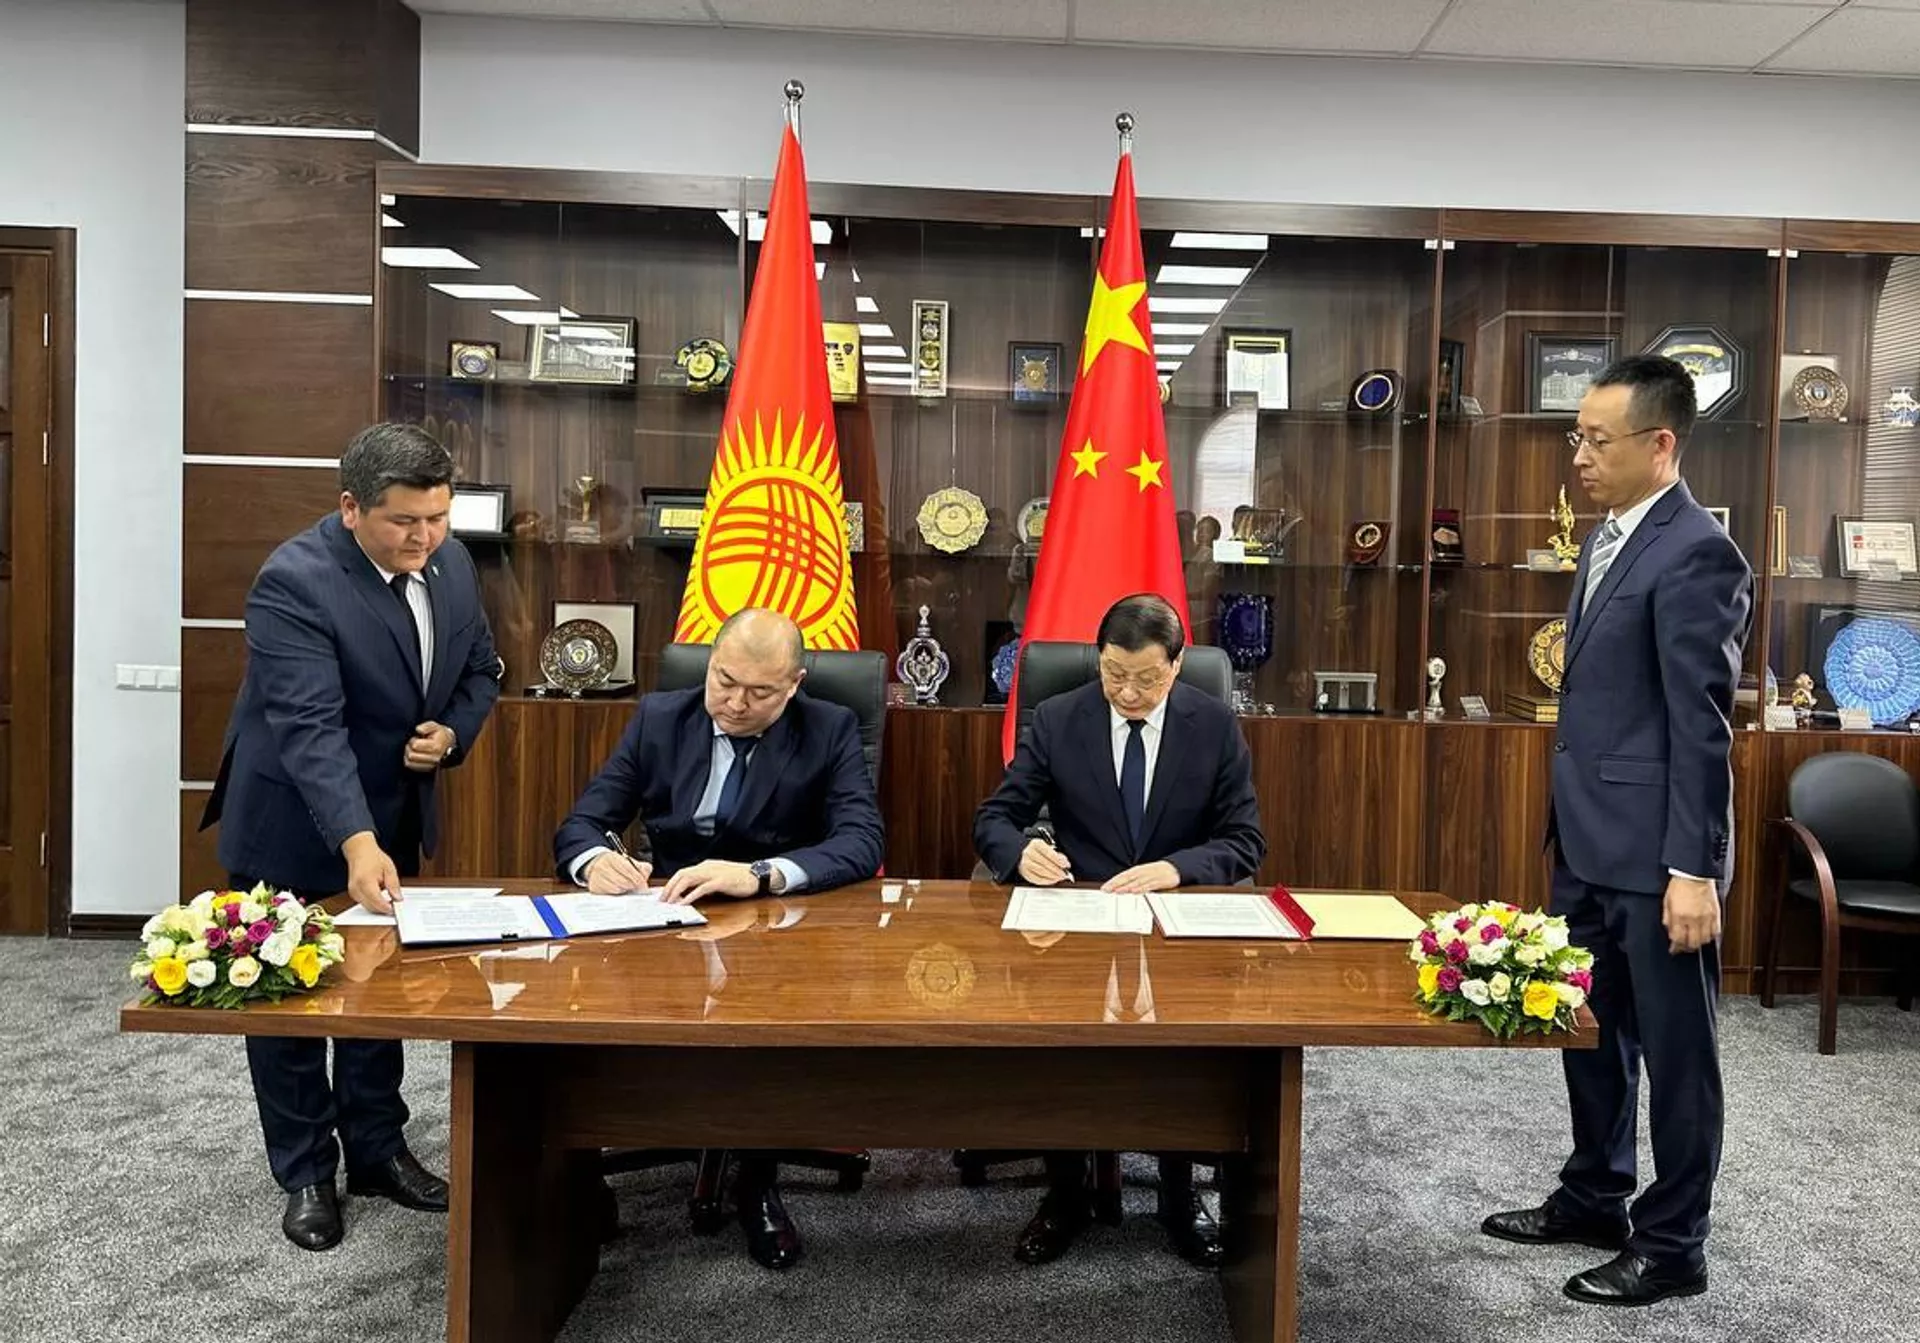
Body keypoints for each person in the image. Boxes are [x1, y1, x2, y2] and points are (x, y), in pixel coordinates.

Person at [1483, 355, 1752, 1306]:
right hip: (1588, 843)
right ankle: (1596, 1193)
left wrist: (1695, 868)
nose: (1579, 456)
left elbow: (1700, 726)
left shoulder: (1699, 552)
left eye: (1598, 440)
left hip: (1658, 858)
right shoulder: (1608, 536)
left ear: (1661, 443)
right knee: (1588, 1033)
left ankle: (1674, 1243)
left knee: (1678, 1056)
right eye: (1578, 436)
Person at [201, 422, 502, 1251]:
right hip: (293, 818)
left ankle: (376, 1148)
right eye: (406, 521)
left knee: (378, 992)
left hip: (391, 813)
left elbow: (482, 667)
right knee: (289, 997)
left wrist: (453, 733)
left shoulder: (452, 562)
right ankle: (305, 1169)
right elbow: (311, 728)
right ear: (350, 508)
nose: (426, 538)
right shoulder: (293, 581)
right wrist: (356, 840)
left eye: (438, 517)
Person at [552, 607, 884, 1270]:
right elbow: (583, 822)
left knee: (763, 1023)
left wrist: (758, 874)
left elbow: (862, 839)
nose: (734, 703)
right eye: (724, 681)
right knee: (571, 1021)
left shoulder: (828, 728)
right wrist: (595, 860)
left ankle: (756, 1178)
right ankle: (578, 1179)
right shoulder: (660, 717)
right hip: (666, 919)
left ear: (793, 685)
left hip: (774, 931)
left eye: (759, 692)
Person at [973, 592, 1265, 1268]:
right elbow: (994, 817)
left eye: (1147, 679)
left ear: (1178, 665)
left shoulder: (1213, 725)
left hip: (1173, 922)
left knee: (1185, 1052)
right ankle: (1066, 1191)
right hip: (1081, 918)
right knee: (1058, 1042)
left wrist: (1176, 868)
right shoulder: (1060, 717)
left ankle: (1177, 1192)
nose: (1128, 693)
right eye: (1114, 674)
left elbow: (1245, 839)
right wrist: (1020, 851)